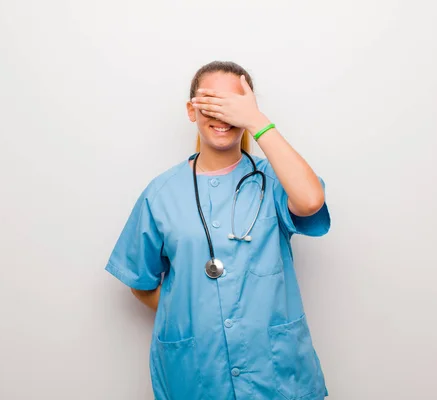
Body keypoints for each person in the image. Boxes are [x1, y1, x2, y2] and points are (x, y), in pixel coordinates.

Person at [105, 61, 331, 400]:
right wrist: (195, 312)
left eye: (233, 104)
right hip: (197, 374)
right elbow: (140, 280)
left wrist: (256, 121)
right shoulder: (161, 193)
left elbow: (311, 201)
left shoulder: (274, 180)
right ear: (190, 110)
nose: (221, 113)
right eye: (210, 101)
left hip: (275, 374)